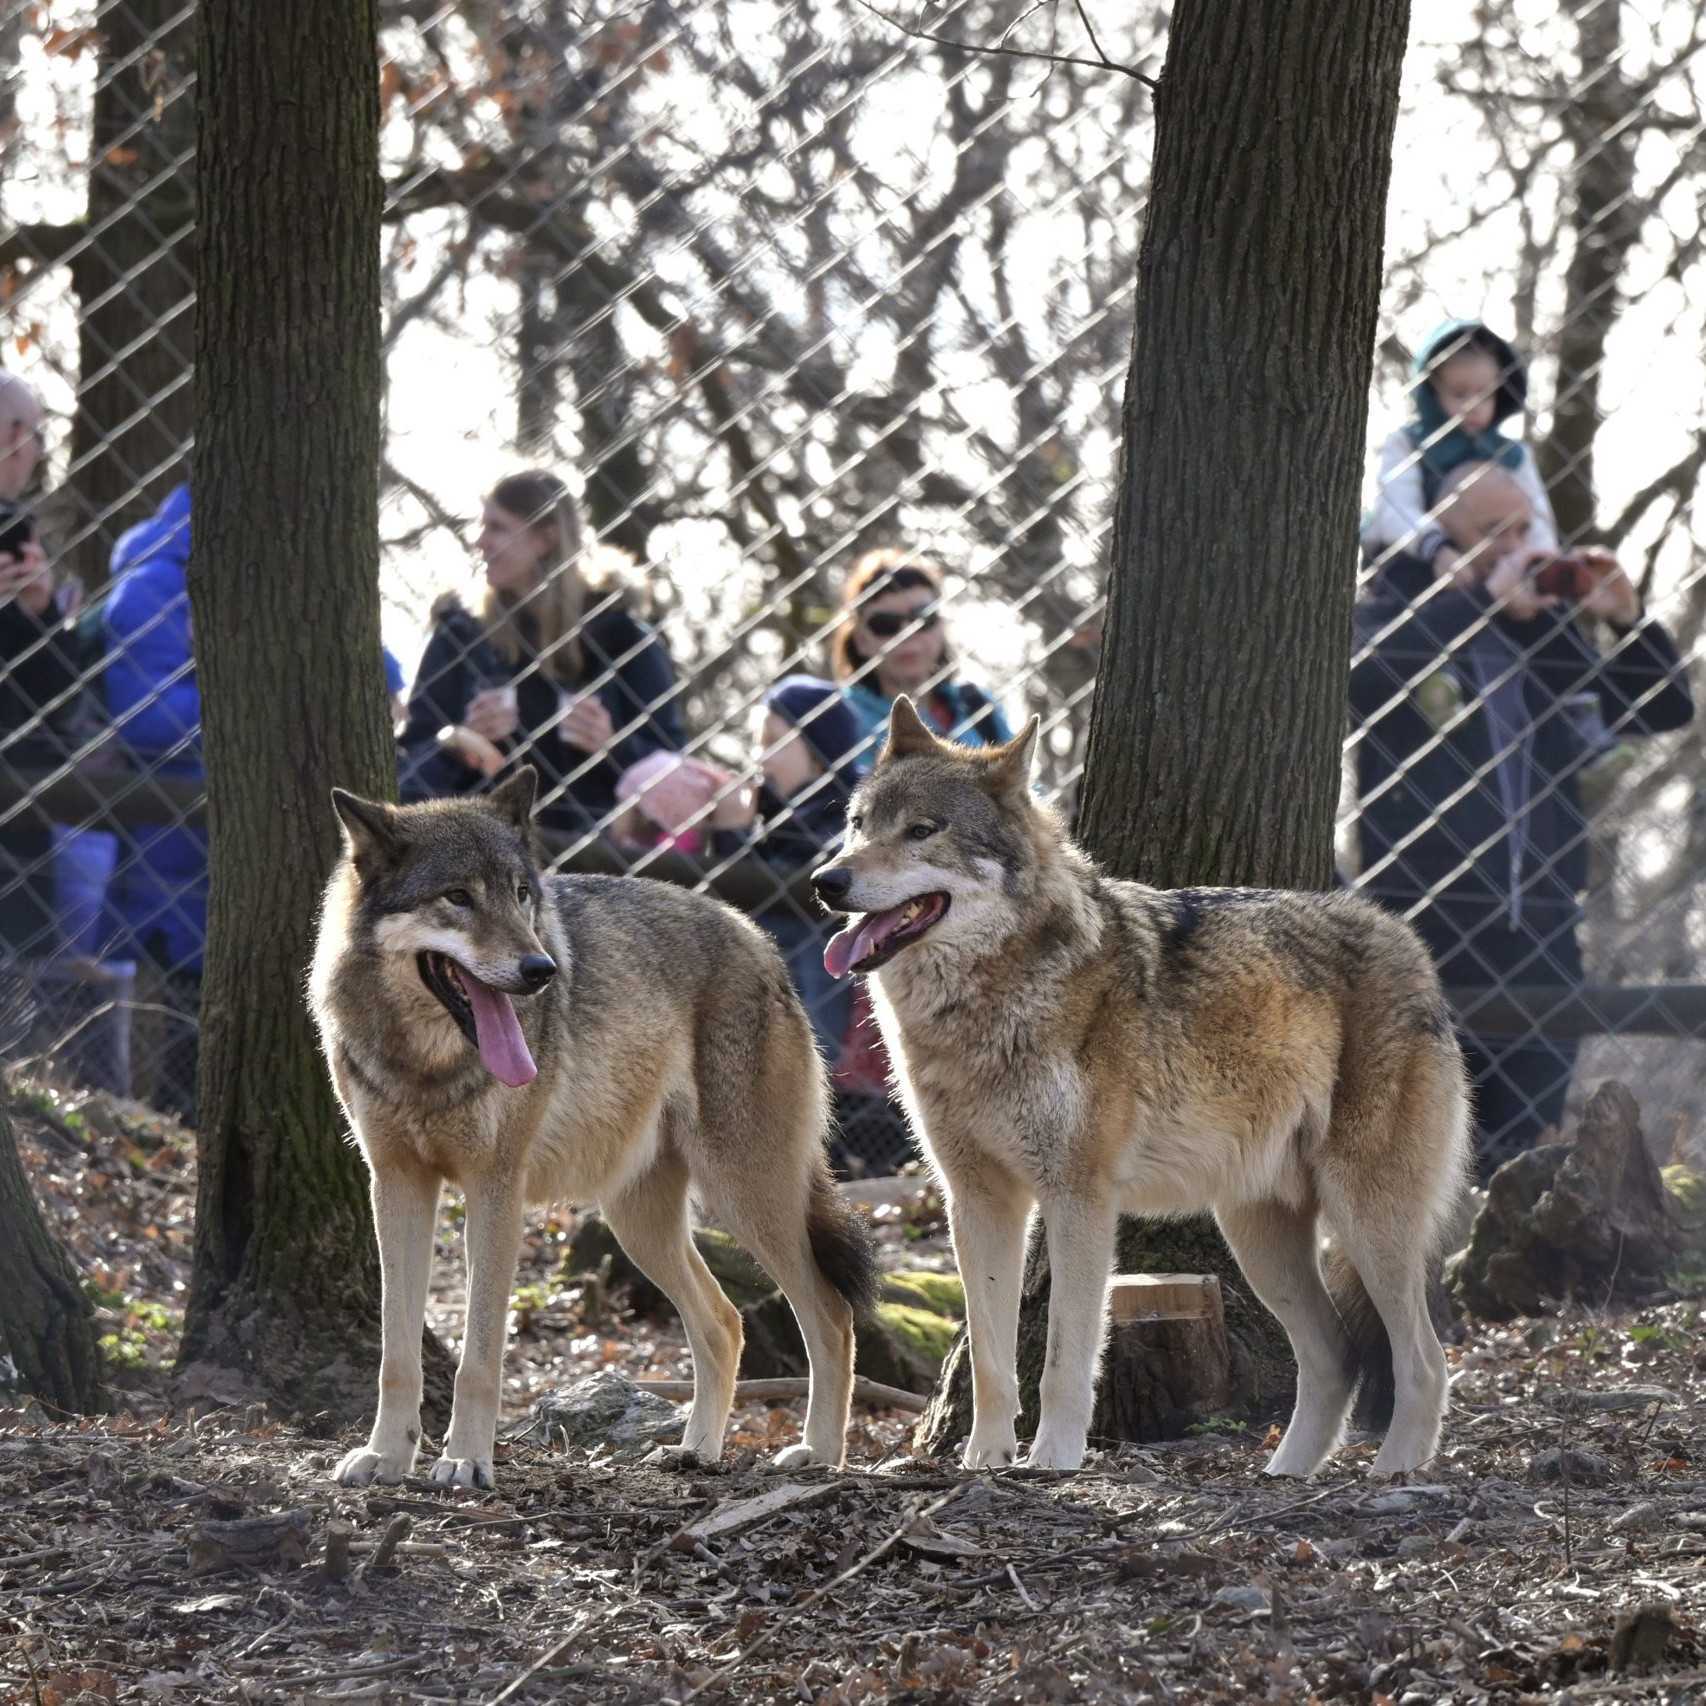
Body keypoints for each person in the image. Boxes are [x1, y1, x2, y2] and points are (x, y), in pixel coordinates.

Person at [1350, 457, 1693, 1180]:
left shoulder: (1547, 633)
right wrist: (1477, 602)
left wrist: (1627, 620)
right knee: (1419, 1153)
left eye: (1521, 531)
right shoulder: (1395, 604)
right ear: (1438, 535)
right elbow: (1366, 676)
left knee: (1526, 1151)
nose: (1513, 550)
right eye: (1488, 534)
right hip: (1423, 929)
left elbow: (1661, 711)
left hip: (1539, 924)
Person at [399, 470, 684, 834]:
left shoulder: (622, 635)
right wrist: (456, 740)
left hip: (597, 848)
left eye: (496, 528)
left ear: (545, 539)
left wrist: (612, 745)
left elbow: (675, 765)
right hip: (473, 842)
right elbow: (407, 760)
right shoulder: (462, 633)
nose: (479, 541)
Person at [711, 676, 867, 1065]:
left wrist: (735, 835)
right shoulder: (775, 819)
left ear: (818, 750)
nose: (760, 759)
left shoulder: (845, 813)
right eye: (756, 744)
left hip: (820, 1013)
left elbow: (808, 864)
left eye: (772, 743)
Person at [1363, 319, 1559, 584]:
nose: (1473, 406)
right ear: (1432, 392)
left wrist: (1538, 563)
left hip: (1499, 571)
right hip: (1416, 565)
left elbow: (1538, 521)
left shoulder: (1513, 455)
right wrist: (1437, 549)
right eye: (1459, 394)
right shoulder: (1408, 442)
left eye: (1485, 394)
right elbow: (1395, 509)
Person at [0, 371, 81, 966]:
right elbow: (53, 689)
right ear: (15, 433)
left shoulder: (16, 533)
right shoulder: (11, 530)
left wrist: (41, 610)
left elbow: (51, 684)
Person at [830, 549, 1011, 763]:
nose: (908, 634)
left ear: (942, 626)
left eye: (923, 618)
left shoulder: (978, 706)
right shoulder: (838, 717)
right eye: (886, 624)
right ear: (861, 640)